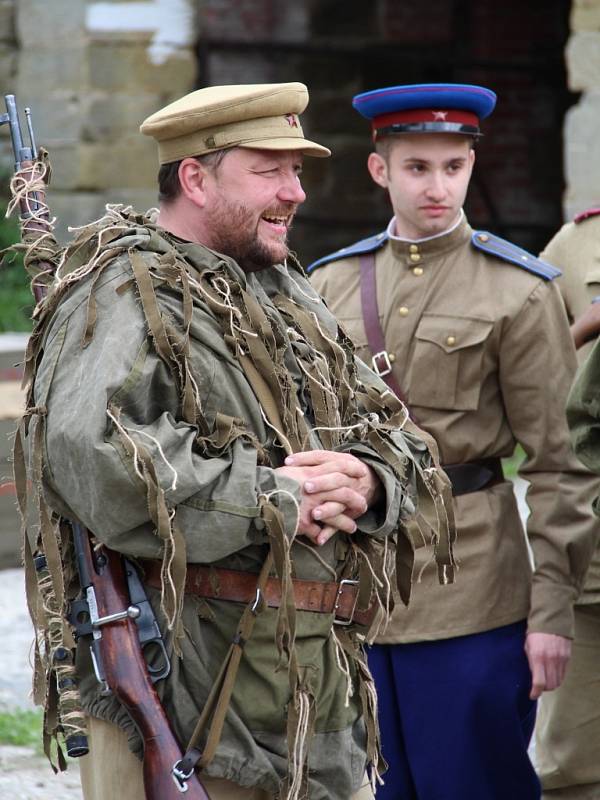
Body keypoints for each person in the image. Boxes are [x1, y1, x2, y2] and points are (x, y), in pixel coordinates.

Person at [17, 82, 456, 800]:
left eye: (298, 171)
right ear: (195, 176)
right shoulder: (123, 293)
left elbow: (393, 428)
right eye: (269, 170)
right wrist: (277, 498)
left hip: (316, 694)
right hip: (182, 695)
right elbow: (99, 460)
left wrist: (368, 479)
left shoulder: (287, 290)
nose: (296, 192)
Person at [308, 83, 598, 800]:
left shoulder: (519, 291)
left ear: (472, 166)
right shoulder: (328, 285)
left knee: (473, 783)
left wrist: (552, 614)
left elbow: (561, 466)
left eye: (453, 166)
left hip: (475, 595)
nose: (437, 185)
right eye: (417, 167)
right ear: (380, 170)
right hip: (357, 594)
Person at [534, 209, 600, 800]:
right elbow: (531, 360)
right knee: (571, 765)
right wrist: (583, 329)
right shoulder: (582, 241)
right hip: (593, 553)